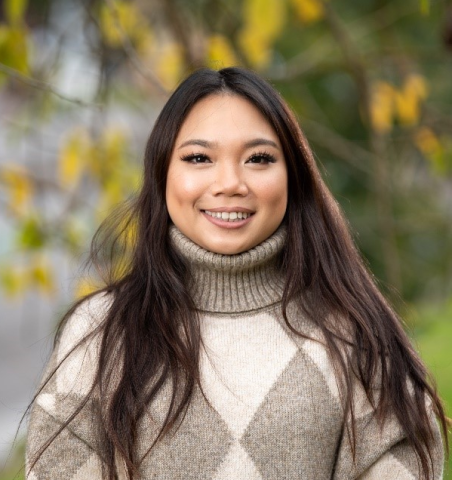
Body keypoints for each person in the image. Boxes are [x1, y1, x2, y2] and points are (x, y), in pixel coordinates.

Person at [26, 67, 448, 479]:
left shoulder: (357, 335)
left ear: (293, 178)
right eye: (198, 157)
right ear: (162, 173)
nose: (230, 182)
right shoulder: (99, 332)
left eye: (258, 158)